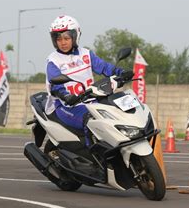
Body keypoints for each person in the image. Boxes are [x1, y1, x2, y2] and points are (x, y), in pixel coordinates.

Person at [45, 15, 133, 147]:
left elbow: (104, 67)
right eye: (59, 39)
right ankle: (93, 156)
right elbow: (54, 83)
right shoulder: (53, 60)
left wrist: (121, 72)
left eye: (66, 38)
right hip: (67, 105)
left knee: (121, 109)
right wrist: (65, 95)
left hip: (91, 100)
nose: (63, 42)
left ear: (75, 36)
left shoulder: (86, 54)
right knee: (91, 120)